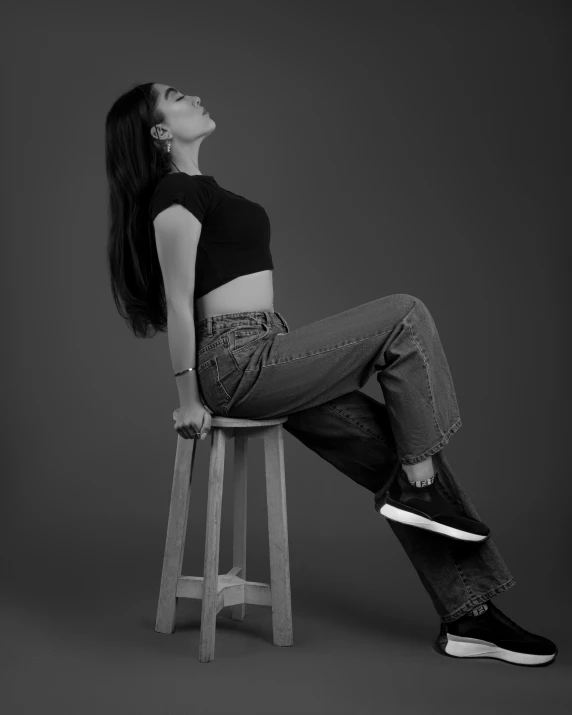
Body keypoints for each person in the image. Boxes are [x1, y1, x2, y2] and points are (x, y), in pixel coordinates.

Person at [104, 81, 557, 666]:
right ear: (159, 130)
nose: (194, 97)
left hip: (269, 347)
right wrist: (189, 398)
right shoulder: (173, 196)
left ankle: (470, 618)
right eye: (176, 96)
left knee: (397, 456)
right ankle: (421, 469)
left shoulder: (202, 190)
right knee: (404, 315)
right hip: (237, 362)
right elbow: (177, 301)